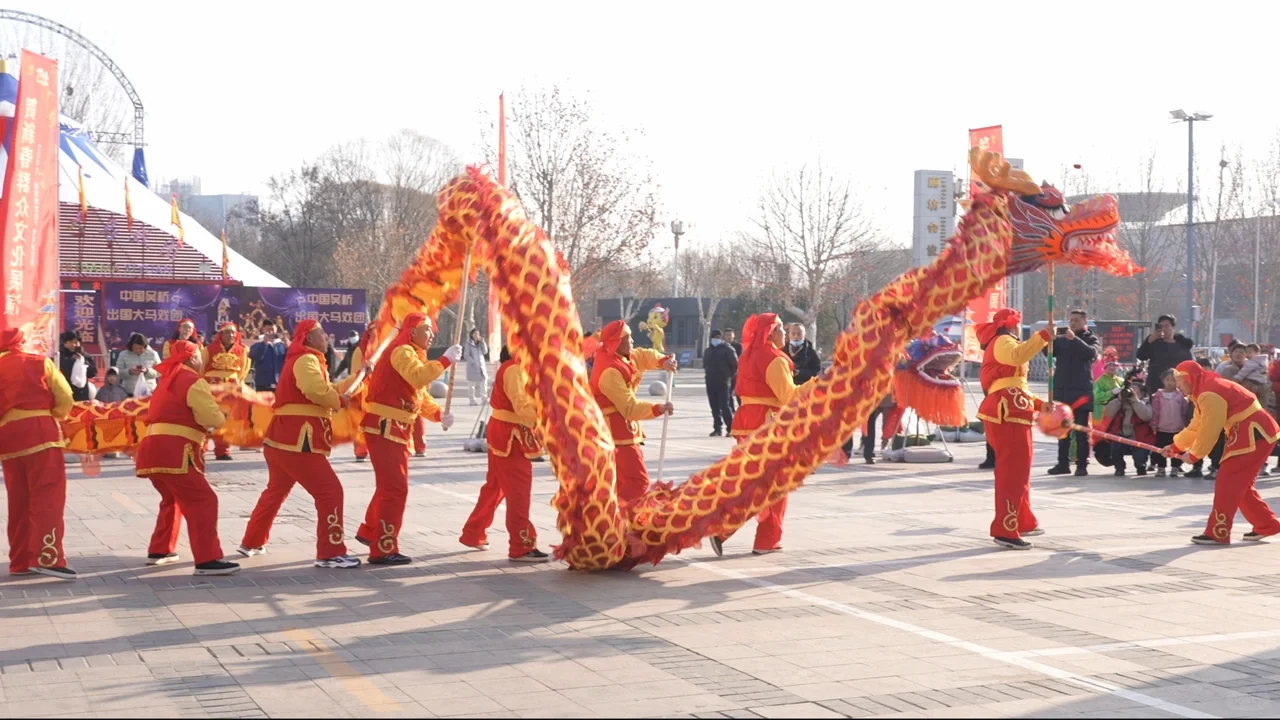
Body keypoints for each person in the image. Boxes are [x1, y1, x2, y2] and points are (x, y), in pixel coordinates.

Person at [240, 320, 362, 568]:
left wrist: (356, 378)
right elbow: (316, 391)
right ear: (307, 338)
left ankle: (251, 541)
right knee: (330, 491)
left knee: (275, 492)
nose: (327, 337)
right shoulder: (306, 360)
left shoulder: (308, 360)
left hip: (283, 439)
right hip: (298, 439)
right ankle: (330, 551)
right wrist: (338, 400)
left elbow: (327, 389)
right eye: (321, 334)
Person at [353, 314, 459, 565]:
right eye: (426, 329)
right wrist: (445, 360)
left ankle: (371, 532)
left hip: (395, 427)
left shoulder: (410, 354)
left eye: (432, 330)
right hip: (386, 426)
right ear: (411, 332)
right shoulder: (401, 351)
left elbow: (418, 394)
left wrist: (437, 414)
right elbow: (419, 377)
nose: (431, 334)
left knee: (389, 486)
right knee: (395, 488)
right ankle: (383, 547)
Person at [134, 340, 239, 576]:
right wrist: (223, 415)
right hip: (176, 451)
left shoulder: (168, 380)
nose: (203, 360)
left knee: (172, 499)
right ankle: (207, 558)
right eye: (200, 356)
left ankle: (160, 550)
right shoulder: (192, 380)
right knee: (204, 500)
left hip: (153, 449)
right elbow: (211, 417)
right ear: (192, 358)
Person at [710, 313, 810, 557]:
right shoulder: (774, 359)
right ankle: (760, 538)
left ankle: (735, 529)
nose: (785, 334)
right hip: (768, 424)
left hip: (749, 422)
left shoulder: (749, 355)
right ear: (770, 333)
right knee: (775, 484)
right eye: (780, 330)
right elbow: (788, 396)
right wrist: (816, 385)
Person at [1164, 361, 1280, 544]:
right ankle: (1267, 524)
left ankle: (1218, 532)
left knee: (1228, 481)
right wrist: (1176, 446)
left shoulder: (1209, 393)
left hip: (1252, 433)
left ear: (1190, 378)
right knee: (1238, 484)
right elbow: (1197, 426)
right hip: (1254, 433)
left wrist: (1195, 455)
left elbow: (1210, 428)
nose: (1178, 386)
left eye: (1180, 381)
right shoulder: (1203, 391)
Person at [460, 346, 550, 562]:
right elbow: (520, 404)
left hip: (506, 432)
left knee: (495, 486)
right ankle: (521, 545)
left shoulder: (519, 368)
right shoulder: (514, 369)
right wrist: (546, 415)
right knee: (519, 490)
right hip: (511, 436)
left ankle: (474, 533)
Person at [0, 328, 76, 579]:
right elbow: (65, 396)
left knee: (18, 500)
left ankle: (20, 560)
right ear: (22, 342)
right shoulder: (40, 362)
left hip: (8, 438)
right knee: (47, 497)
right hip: (41, 434)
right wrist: (55, 415)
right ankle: (48, 558)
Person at [976, 309, 1051, 550]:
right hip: (1005, 410)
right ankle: (1005, 528)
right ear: (1011, 325)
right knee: (1012, 472)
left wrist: (1040, 404)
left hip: (1014, 409)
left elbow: (1019, 385)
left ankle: (1022, 519)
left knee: (1020, 470)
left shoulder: (1003, 342)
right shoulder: (1002, 341)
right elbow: (1018, 356)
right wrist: (1042, 337)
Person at [589, 320, 676, 505]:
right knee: (638, 481)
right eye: (628, 337)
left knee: (622, 482)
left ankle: (613, 522)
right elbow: (629, 407)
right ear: (616, 343)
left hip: (622, 429)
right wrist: (657, 409)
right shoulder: (609, 370)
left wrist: (663, 361)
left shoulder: (623, 356)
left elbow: (642, 356)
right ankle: (615, 519)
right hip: (615, 431)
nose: (632, 340)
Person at [1047, 310, 1100, 476]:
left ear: (1085, 321)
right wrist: (1049, 338)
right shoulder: (1062, 340)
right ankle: (1063, 464)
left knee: (1081, 431)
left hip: (1081, 392)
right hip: (1062, 391)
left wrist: (1074, 340)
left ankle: (1081, 465)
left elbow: (1091, 354)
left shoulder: (1090, 338)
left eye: (1076, 320)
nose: (1073, 323)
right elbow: (1048, 353)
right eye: (1071, 320)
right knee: (1062, 430)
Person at [202, 323, 251, 461]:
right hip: (212, 387)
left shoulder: (242, 351)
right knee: (205, 418)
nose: (230, 335)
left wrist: (235, 383)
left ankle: (223, 450)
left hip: (231, 389)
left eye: (233, 333)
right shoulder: (208, 350)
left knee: (228, 421)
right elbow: (201, 369)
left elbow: (243, 370)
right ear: (220, 334)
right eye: (227, 332)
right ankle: (200, 447)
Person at [1102, 383, 1154, 476]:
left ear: (1141, 393)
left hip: (1139, 438)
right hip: (1122, 436)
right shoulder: (1120, 403)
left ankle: (1140, 466)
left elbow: (1146, 416)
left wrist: (1135, 401)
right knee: (1116, 447)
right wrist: (1119, 399)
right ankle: (1119, 468)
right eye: (1130, 390)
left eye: (1135, 391)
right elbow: (1108, 413)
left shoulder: (1145, 403)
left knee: (1140, 457)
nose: (1131, 392)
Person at [1136, 314, 1194, 397]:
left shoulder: (1182, 346)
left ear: (1173, 328)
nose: (1164, 329)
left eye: (1166, 326)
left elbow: (1189, 365)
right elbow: (1141, 356)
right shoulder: (1154, 343)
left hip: (1177, 387)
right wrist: (1148, 341)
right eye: (1161, 326)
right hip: (1155, 385)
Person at [346, 322, 377, 462]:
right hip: (363, 392)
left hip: (379, 393)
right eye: (373, 330)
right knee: (359, 422)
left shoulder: (386, 349)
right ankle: (360, 450)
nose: (376, 333)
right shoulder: (360, 351)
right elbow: (355, 374)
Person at [1151, 369, 1190, 477]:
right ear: (1163, 381)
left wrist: (1185, 425)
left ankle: (1175, 467)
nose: (1170, 383)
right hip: (1162, 428)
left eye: (1173, 380)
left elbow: (1184, 411)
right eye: (1167, 380)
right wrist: (1154, 424)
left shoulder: (1181, 396)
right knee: (1160, 448)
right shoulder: (1158, 396)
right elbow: (1155, 411)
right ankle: (1161, 467)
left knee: (1177, 448)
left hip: (1178, 427)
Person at [843, 391, 896, 465]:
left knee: (869, 424)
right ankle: (846, 453)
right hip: (851, 395)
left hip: (868, 396)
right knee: (848, 423)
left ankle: (869, 455)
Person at [703, 330, 738, 437]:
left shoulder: (727, 349)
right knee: (714, 407)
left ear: (721, 338)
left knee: (724, 405)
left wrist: (729, 377)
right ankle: (717, 428)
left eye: (717, 337)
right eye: (713, 337)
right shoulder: (708, 351)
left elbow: (735, 365)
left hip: (723, 382)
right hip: (710, 381)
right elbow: (705, 365)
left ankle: (731, 428)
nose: (715, 339)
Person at [59, 331, 98, 403]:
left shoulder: (85, 355)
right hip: (65, 392)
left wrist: (83, 362)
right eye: (71, 342)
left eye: (76, 342)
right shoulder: (59, 356)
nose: (74, 345)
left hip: (81, 394)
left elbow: (93, 373)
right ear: (65, 343)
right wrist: (71, 362)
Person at [248, 320, 286, 392]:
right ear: (263, 329)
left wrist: (289, 347)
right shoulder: (257, 345)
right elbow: (254, 356)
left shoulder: (282, 345)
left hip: (279, 384)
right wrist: (264, 343)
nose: (271, 332)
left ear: (276, 329)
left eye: (272, 329)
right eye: (268, 329)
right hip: (262, 384)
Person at [464, 328, 490, 406]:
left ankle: (484, 399)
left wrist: (483, 342)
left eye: (478, 334)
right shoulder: (468, 344)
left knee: (484, 384)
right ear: (472, 335)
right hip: (473, 368)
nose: (476, 335)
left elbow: (485, 351)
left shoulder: (480, 343)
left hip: (481, 367)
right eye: (475, 333)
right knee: (471, 385)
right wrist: (473, 362)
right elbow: (466, 355)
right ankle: (472, 400)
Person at [725, 329, 743, 412]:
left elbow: (741, 358)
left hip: (737, 372)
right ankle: (731, 409)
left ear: (733, 336)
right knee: (728, 393)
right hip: (727, 373)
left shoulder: (738, 346)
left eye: (730, 335)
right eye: (727, 335)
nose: (729, 337)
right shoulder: (723, 347)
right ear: (724, 336)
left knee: (739, 392)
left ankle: (741, 407)